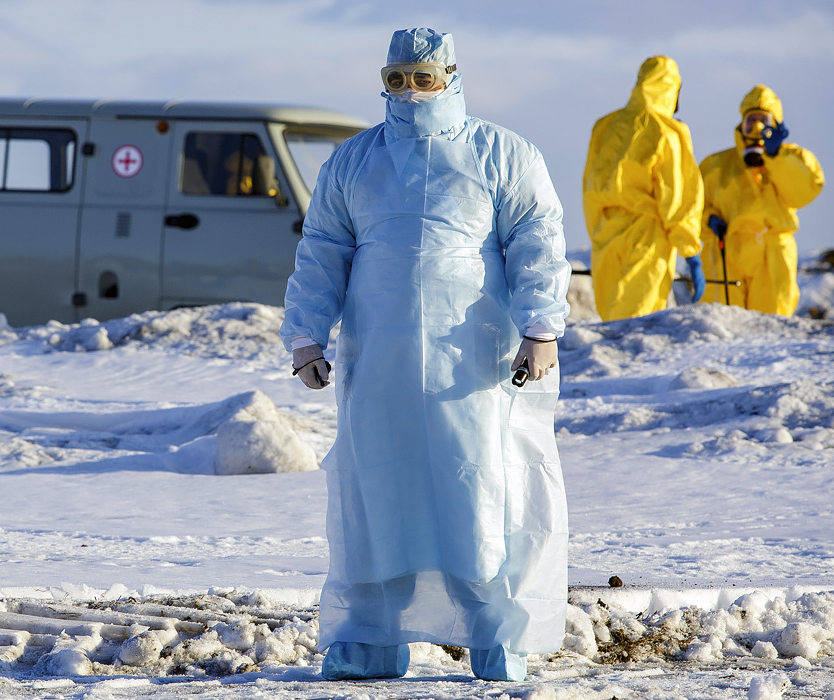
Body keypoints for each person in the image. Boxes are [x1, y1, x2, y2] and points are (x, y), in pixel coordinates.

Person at [281, 28, 571, 683]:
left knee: (477, 487)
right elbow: (322, 249)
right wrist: (305, 335)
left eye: (423, 77)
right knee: (378, 490)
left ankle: (496, 637)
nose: (410, 91)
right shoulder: (354, 161)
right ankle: (369, 639)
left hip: (471, 360)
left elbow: (538, 241)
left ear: (451, 77)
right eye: (397, 79)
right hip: (377, 353)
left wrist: (540, 327)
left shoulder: (502, 154)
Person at [583, 56, 706, 321]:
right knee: (637, 322)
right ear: (673, 90)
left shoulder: (605, 126)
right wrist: (690, 250)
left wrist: (597, 231)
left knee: (612, 323)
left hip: (607, 235)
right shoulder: (667, 132)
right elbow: (677, 195)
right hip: (648, 238)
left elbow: (590, 187)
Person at [697, 85, 824, 315]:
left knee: (769, 325)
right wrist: (708, 220)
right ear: (741, 124)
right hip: (726, 252)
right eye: (751, 121)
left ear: (777, 125)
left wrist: (777, 158)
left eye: (764, 121)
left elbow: (805, 192)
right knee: (720, 324)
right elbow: (692, 206)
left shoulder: (793, 158)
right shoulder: (716, 166)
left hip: (772, 255)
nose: (756, 128)